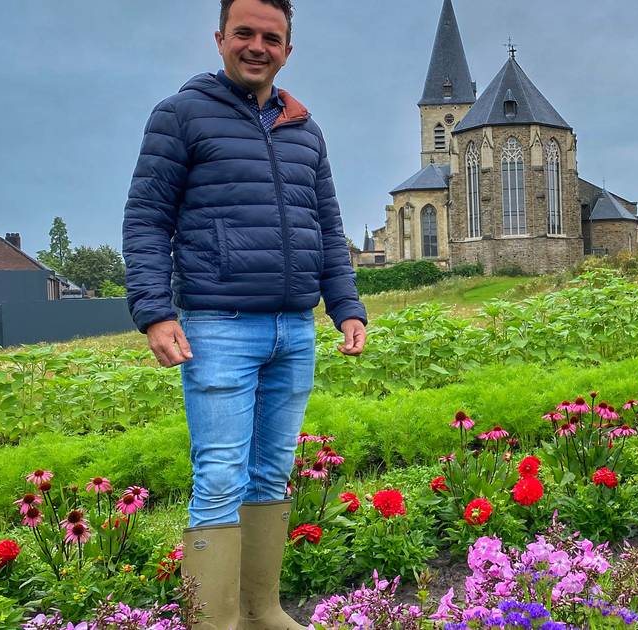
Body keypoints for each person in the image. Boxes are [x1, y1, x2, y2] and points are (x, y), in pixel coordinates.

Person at [122, 0, 366, 626]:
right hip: (218, 324)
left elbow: (327, 224)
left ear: (288, 48)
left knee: (271, 471)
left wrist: (345, 307)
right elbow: (147, 219)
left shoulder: (304, 128)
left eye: (272, 37)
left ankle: (261, 609)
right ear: (220, 38)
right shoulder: (181, 116)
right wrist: (154, 311)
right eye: (245, 34)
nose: (258, 46)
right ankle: (216, 620)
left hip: (294, 328)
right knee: (221, 474)